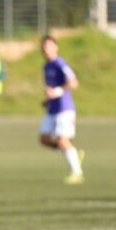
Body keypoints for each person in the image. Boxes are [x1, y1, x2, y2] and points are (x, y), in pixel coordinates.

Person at [39, 35, 84, 185]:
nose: (47, 49)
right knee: (44, 139)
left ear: (56, 47)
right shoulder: (46, 66)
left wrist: (58, 91)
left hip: (64, 108)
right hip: (52, 108)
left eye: (50, 46)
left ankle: (77, 173)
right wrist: (47, 100)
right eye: (44, 46)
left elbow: (73, 82)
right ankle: (73, 154)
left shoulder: (60, 63)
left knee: (62, 139)